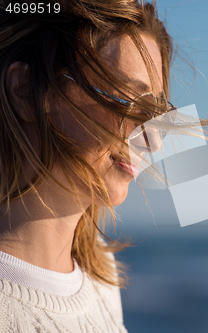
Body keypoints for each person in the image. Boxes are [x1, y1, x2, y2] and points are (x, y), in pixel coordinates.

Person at [0, 1, 186, 331]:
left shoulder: (101, 274)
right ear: (26, 92)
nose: (153, 140)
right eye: (127, 101)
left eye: (155, 114)